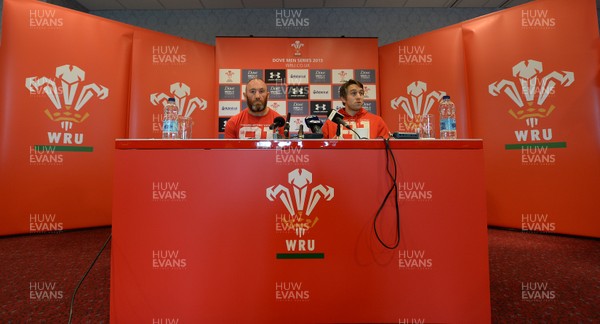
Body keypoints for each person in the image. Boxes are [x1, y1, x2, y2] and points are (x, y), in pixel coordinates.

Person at [322, 79, 390, 139]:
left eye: (361, 93)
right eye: (354, 93)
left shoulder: (377, 121)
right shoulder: (331, 123)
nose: (359, 97)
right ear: (343, 98)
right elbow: (320, 150)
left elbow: (388, 149)